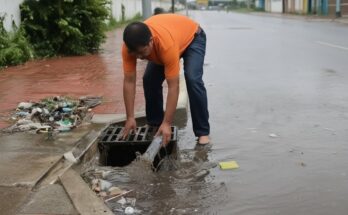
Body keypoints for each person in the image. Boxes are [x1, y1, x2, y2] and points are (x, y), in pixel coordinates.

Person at [121, 14, 210, 147]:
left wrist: (168, 123)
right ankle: (155, 124)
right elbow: (129, 81)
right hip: (172, 38)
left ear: (151, 41)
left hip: (193, 38)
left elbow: (173, 86)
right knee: (149, 79)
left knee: (193, 79)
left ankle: (202, 132)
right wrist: (130, 117)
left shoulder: (165, 45)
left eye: (142, 52)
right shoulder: (129, 48)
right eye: (135, 54)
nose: (139, 57)